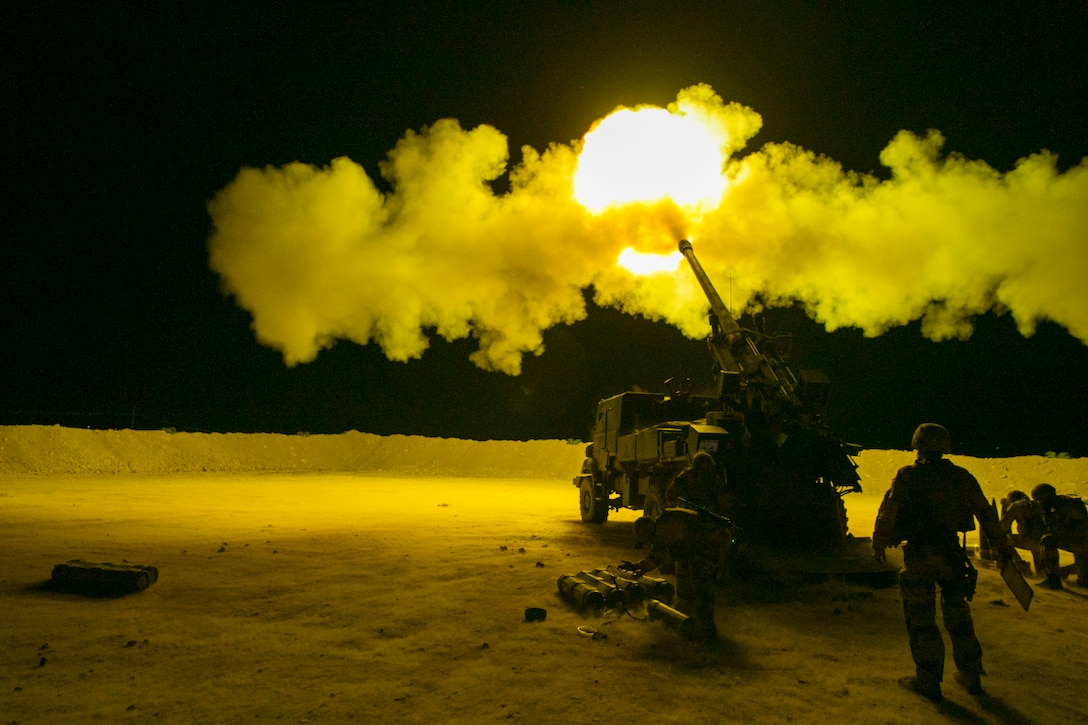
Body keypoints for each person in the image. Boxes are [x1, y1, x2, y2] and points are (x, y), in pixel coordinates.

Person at [872, 423, 1022, 702]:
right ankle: (971, 674)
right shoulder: (962, 477)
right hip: (952, 556)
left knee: (921, 618)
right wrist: (1002, 546)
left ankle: (927, 680)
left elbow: (889, 509)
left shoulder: (907, 476)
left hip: (920, 555)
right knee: (959, 616)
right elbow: (985, 513)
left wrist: (879, 542)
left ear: (918, 446)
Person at [633, 450, 732, 644]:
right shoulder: (671, 513)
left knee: (703, 590)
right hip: (704, 540)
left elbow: (659, 554)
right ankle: (690, 623)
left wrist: (641, 567)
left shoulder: (667, 525)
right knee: (686, 586)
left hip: (710, 544)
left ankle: (709, 637)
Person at [1030, 483, 1088, 589]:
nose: (1040, 503)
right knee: (1048, 541)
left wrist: (1056, 534)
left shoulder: (1071, 505)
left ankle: (1056, 578)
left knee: (1084, 582)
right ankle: (1053, 578)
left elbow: (1078, 531)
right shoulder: (1051, 508)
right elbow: (1052, 529)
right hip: (1075, 541)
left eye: (1041, 500)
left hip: (1082, 541)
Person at [999, 489, 1048, 576]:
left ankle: (1020, 565)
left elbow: (1003, 525)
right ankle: (1042, 573)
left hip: (1028, 540)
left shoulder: (1016, 505)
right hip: (1044, 541)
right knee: (1040, 564)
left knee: (1003, 539)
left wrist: (1006, 508)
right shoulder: (1037, 504)